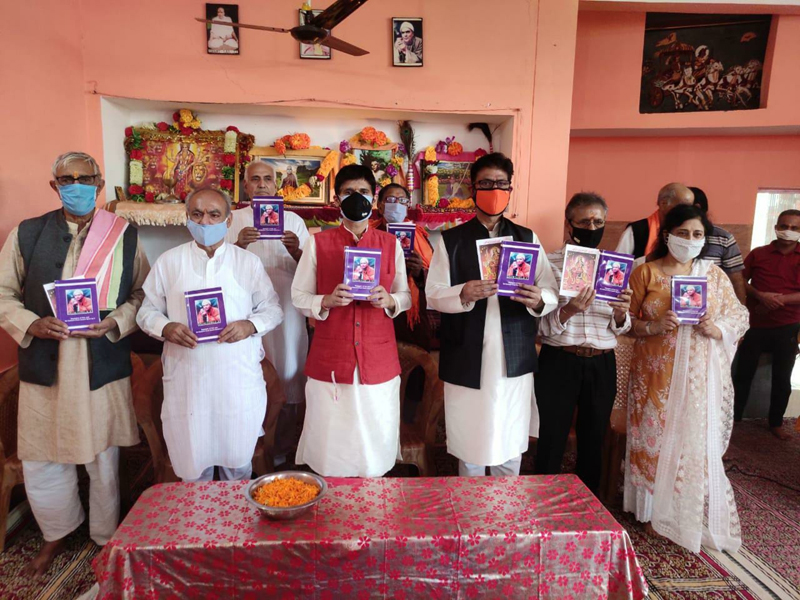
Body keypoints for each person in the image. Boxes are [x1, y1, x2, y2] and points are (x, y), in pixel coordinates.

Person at [0, 152, 149, 576]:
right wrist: (33, 323)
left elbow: (142, 295)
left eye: (86, 178)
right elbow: (2, 293)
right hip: (44, 363)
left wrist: (114, 322)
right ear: (54, 186)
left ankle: (105, 536)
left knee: (102, 455)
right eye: (68, 178)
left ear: (100, 184)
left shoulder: (124, 235)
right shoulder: (27, 234)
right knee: (43, 456)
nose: (77, 185)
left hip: (99, 362)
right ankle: (54, 534)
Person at [624, 204, 749, 553]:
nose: (690, 240)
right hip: (654, 374)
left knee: (686, 442)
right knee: (654, 440)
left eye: (697, 235)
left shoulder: (713, 275)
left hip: (697, 379)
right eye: (683, 233)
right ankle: (650, 511)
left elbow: (739, 315)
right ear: (667, 235)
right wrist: (653, 325)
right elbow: (624, 324)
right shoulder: (645, 273)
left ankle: (679, 511)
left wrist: (717, 327)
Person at [137, 188, 283, 482]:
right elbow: (146, 312)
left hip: (237, 382)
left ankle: (238, 526)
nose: (205, 222)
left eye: (214, 214)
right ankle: (197, 526)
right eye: (197, 214)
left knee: (238, 466)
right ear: (187, 218)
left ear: (228, 221)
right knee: (192, 467)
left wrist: (250, 325)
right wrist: (166, 328)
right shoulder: (169, 261)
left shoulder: (247, 262)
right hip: (188, 383)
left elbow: (273, 308)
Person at [426, 152, 558, 477]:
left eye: (501, 184)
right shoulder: (451, 241)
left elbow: (550, 291)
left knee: (510, 442)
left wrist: (538, 299)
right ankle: (469, 515)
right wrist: (462, 293)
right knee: (471, 444)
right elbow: (433, 293)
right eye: (486, 183)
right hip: (467, 353)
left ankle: (505, 514)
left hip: (514, 355)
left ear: (510, 189)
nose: (494, 190)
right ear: (473, 189)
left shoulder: (527, 239)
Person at [291, 164, 411, 477]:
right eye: (348, 193)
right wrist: (325, 301)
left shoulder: (390, 244)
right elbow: (298, 296)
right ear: (336, 199)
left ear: (374, 200)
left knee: (374, 442)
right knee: (332, 444)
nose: (356, 198)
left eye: (363, 192)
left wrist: (390, 301)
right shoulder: (318, 244)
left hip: (378, 359)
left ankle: (373, 507)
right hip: (331, 360)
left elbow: (405, 296)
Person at [536, 192, 632, 493]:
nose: (592, 227)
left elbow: (621, 327)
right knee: (552, 435)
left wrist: (620, 314)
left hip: (602, 361)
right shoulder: (548, 263)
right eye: (585, 221)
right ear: (570, 225)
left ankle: (589, 506)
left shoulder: (614, 267)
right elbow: (539, 328)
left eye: (599, 221)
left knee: (594, 438)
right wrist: (568, 310)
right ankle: (542, 499)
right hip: (559, 359)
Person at [226, 160, 309, 466]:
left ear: (277, 185)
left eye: (267, 179)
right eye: (255, 179)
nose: (261, 184)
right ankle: (247, 448)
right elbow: (215, 270)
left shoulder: (295, 222)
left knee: (287, 377)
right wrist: (237, 246)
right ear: (245, 186)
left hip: (287, 308)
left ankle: (283, 451)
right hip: (245, 310)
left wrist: (297, 251)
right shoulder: (232, 219)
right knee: (249, 377)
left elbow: (313, 273)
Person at [733, 209, 800, 440]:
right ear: (776, 226)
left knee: (782, 378)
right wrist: (760, 296)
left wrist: (778, 300)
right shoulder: (759, 253)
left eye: (794, 228)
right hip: (755, 324)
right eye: (784, 226)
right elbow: (740, 280)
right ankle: (734, 418)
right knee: (742, 373)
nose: (788, 231)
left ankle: (776, 423)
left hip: (788, 325)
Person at [371, 183, 438, 350]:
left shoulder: (418, 236)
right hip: (377, 308)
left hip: (412, 315)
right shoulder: (369, 234)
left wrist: (418, 272)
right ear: (380, 206)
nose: (397, 204)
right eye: (391, 199)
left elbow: (437, 275)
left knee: (415, 365)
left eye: (402, 201)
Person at [689, 187, 747, 304]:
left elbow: (736, 280)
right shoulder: (668, 236)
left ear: (697, 208)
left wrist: (740, 310)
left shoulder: (723, 238)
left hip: (713, 308)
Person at [616, 183, 695, 259]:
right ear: (663, 203)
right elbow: (615, 268)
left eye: (690, 207)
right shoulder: (637, 230)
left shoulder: (692, 232)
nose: (687, 211)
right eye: (683, 206)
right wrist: (646, 261)